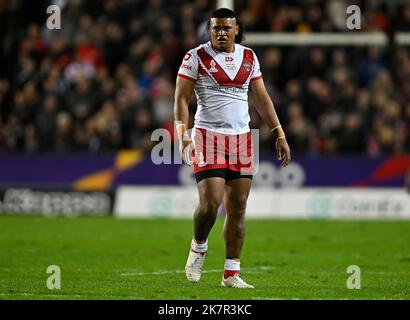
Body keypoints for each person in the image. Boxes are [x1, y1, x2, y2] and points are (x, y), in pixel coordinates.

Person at [174, 8, 291, 289]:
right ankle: (199, 246)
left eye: (227, 28)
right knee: (211, 203)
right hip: (207, 136)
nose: (221, 32)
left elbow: (262, 100)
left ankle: (231, 273)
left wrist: (279, 133)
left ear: (236, 29)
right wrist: (182, 136)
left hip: (242, 139)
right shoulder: (195, 57)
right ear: (210, 30)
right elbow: (181, 99)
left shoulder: (249, 57)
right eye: (216, 28)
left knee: (238, 208)